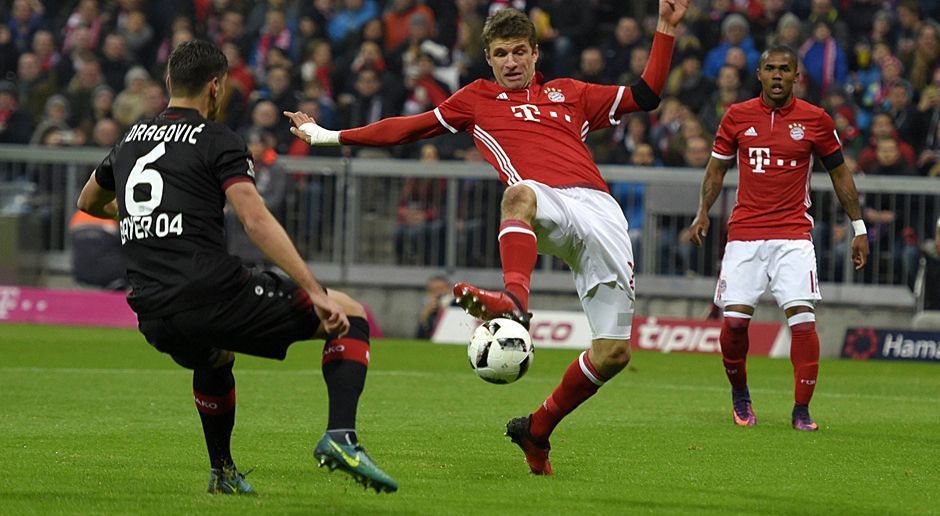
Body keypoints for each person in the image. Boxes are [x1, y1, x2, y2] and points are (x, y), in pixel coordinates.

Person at [286, 0, 690, 475]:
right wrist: (328, 135)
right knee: (517, 195)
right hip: (545, 202)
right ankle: (514, 300)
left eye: (520, 51)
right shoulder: (476, 99)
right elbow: (405, 129)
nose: (512, 62)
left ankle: (536, 430)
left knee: (613, 353)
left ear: (536, 54)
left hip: (601, 215)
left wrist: (665, 27)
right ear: (490, 59)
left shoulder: (571, 92)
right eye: (501, 54)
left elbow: (646, 95)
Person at [76, 40, 397, 494]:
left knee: (214, 355)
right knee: (351, 315)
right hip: (210, 294)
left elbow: (87, 201)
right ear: (216, 86)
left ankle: (223, 472)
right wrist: (315, 290)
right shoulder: (217, 138)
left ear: (169, 82)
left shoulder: (130, 138)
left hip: (151, 311)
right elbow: (255, 219)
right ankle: (341, 437)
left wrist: (144, 221)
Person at [688, 45, 870, 432]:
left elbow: (840, 174)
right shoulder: (737, 117)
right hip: (745, 236)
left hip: (793, 236)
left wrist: (859, 228)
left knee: (803, 323)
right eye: (769, 68)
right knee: (734, 325)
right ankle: (741, 396)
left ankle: (801, 411)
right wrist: (703, 211)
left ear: (796, 75)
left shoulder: (816, 120)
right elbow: (716, 171)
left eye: (784, 69)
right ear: (758, 74)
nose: (776, 75)